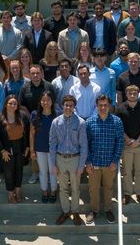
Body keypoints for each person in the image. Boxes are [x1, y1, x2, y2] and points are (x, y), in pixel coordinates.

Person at [85, 95, 124, 224]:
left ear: (109, 106)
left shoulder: (117, 121)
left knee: (108, 187)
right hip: (94, 163)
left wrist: (115, 160)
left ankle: (108, 209)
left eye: (105, 105)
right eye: (100, 105)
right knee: (94, 188)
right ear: (96, 106)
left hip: (109, 163)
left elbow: (119, 142)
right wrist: (88, 162)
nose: (103, 107)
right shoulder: (89, 122)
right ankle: (94, 210)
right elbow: (86, 144)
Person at [49, 95, 87, 226]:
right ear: (62, 106)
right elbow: (52, 144)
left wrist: (82, 165)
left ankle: (75, 212)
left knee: (76, 188)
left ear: (74, 107)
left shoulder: (81, 123)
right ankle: (66, 211)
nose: (68, 107)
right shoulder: (56, 122)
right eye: (66, 105)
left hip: (75, 159)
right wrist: (52, 164)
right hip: (60, 159)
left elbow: (84, 145)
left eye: (71, 105)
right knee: (63, 188)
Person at [115, 85, 140, 205]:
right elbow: (119, 128)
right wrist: (128, 140)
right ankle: (128, 193)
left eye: (135, 93)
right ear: (126, 94)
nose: (133, 95)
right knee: (127, 171)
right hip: (126, 144)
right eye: (130, 93)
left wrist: (138, 141)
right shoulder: (120, 109)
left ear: (138, 94)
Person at [0, 95, 29, 203]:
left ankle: (18, 191)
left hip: (20, 147)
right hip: (6, 149)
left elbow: (27, 133)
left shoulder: (22, 116)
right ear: (6, 105)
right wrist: (2, 150)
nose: (12, 105)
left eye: (15, 103)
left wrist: (27, 147)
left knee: (19, 170)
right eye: (10, 103)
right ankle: (10, 193)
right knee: (9, 173)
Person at [30, 91, 57, 203]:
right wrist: (32, 150)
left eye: (48, 100)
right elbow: (31, 134)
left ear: (52, 101)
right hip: (40, 148)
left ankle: (53, 191)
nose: (45, 102)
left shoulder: (57, 114)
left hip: (53, 149)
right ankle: (45, 191)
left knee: (53, 171)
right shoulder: (35, 115)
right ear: (40, 101)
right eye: (43, 100)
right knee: (42, 171)